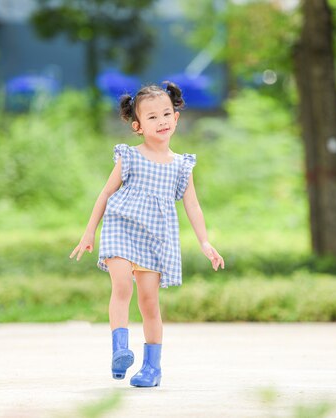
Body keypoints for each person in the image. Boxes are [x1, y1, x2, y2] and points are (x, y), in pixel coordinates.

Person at [70, 81, 224, 387]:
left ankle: (152, 368)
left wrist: (205, 242)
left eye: (167, 114)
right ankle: (120, 350)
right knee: (122, 285)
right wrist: (89, 233)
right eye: (152, 117)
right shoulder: (129, 156)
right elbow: (105, 194)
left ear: (176, 118)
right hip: (121, 226)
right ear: (138, 126)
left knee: (149, 302)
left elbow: (193, 206)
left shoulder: (181, 166)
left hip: (155, 237)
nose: (162, 121)